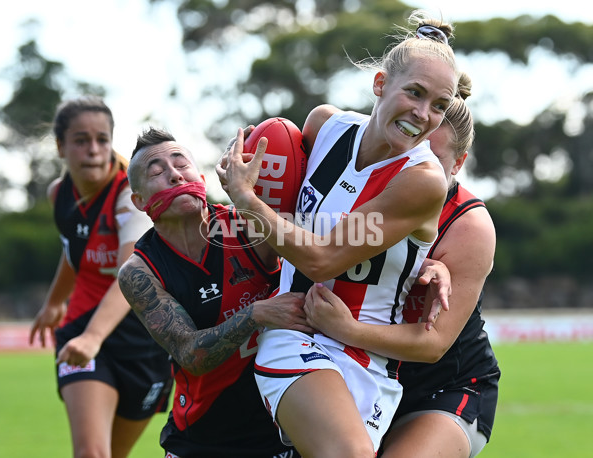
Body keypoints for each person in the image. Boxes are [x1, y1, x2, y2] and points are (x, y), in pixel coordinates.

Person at [219, 11, 459, 458]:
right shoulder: (322, 127)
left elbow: (324, 256)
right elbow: (297, 236)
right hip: (296, 335)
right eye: (414, 92)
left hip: (370, 364)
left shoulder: (422, 178)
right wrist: (249, 196)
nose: (423, 115)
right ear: (380, 84)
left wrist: (246, 200)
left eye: (439, 105)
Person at [303, 73, 501, 458]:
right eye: (412, 149)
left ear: (459, 163)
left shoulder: (468, 225)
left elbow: (432, 345)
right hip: (356, 368)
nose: (416, 165)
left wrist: (348, 328)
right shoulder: (358, 175)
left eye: (434, 158)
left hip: (439, 388)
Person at [117, 127, 312, 458]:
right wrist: (257, 313)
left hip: (283, 428)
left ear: (202, 177)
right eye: (156, 171)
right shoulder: (139, 271)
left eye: (181, 164)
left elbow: (325, 239)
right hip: (203, 438)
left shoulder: (250, 227)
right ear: (139, 201)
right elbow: (192, 355)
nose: (175, 175)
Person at [29, 96, 173, 458]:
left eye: (101, 139)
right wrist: (55, 303)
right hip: (84, 330)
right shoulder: (58, 194)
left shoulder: (129, 195)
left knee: (115, 453)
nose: (93, 149)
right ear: (61, 146)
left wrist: (94, 335)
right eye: (80, 140)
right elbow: (72, 248)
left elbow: (133, 277)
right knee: (92, 453)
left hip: (144, 340)